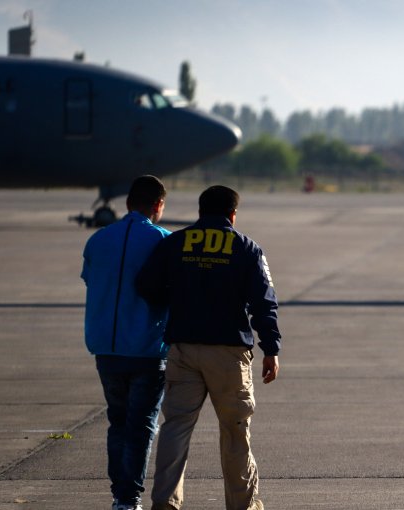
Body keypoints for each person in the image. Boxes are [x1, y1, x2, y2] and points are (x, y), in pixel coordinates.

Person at [136, 185, 281, 510]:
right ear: (232, 214)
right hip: (228, 354)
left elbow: (145, 284)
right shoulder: (247, 248)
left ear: (200, 212)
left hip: (183, 349)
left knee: (176, 427)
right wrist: (271, 347)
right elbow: (264, 302)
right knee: (235, 432)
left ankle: (165, 503)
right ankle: (242, 505)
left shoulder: (175, 243)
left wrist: (174, 301)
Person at [81, 175, 171, 510]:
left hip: (104, 346)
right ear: (157, 205)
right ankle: (127, 497)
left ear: (129, 203)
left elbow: (91, 281)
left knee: (117, 421)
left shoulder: (98, 240)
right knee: (142, 424)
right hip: (148, 348)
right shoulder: (164, 240)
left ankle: (120, 493)